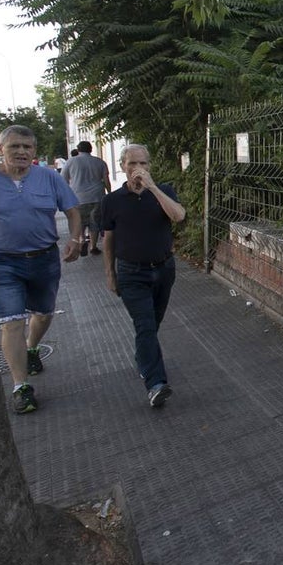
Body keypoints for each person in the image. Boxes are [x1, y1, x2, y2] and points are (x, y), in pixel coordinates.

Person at [0, 125, 83, 414]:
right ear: (0, 148)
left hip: (43, 258)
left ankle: (32, 348)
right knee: (11, 321)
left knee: (43, 313)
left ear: (34, 151)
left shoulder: (48, 177)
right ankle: (21, 387)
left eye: (27, 147)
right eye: (14, 146)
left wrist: (76, 240)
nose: (21, 152)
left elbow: (72, 210)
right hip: (1, 262)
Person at [100, 144, 186, 408]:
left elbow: (179, 216)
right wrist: (110, 275)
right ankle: (155, 383)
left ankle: (144, 358)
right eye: (132, 164)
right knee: (145, 325)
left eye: (143, 164)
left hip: (163, 269)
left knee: (154, 323)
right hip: (131, 273)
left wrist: (153, 188)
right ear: (122, 166)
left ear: (150, 166)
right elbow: (108, 240)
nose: (138, 169)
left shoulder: (164, 191)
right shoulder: (112, 201)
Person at [61, 140, 111, 255]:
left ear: (78, 150)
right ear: (91, 149)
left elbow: (63, 179)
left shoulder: (70, 162)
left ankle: (82, 240)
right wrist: (109, 193)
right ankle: (93, 246)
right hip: (97, 196)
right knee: (95, 222)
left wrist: (67, 193)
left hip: (78, 197)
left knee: (80, 221)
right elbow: (106, 180)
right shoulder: (100, 162)